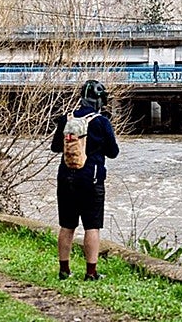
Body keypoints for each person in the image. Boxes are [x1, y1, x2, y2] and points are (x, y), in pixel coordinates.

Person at [50, 80, 119, 281]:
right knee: (92, 226)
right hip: (92, 179)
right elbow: (113, 152)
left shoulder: (66, 119)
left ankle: (64, 270)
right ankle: (91, 272)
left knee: (67, 225)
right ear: (99, 101)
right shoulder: (101, 122)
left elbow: (55, 147)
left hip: (66, 178)